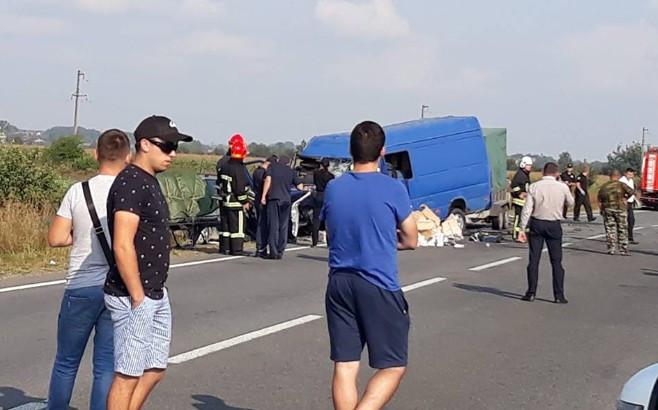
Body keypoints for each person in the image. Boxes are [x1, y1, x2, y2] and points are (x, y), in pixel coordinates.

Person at [321, 121, 418, 410]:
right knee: (393, 365)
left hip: (339, 281)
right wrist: (392, 242)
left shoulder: (334, 188)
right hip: (377, 282)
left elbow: (330, 231)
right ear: (383, 152)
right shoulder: (393, 188)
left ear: (351, 151)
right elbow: (411, 237)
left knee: (346, 364)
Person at [103, 115, 193, 410]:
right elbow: (122, 243)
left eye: (174, 147)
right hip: (133, 294)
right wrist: (137, 296)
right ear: (144, 144)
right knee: (127, 374)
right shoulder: (130, 183)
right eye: (167, 146)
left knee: (154, 369)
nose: (172, 154)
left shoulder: (149, 181)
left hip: (155, 291)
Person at [46, 129, 131, 410]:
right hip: (117, 287)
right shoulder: (130, 192)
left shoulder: (77, 191)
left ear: (96, 154)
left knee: (66, 362)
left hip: (81, 285)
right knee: (106, 364)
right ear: (127, 157)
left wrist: (80, 236)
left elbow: (56, 238)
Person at [518, 162, 574, 304]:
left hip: (537, 223)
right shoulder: (562, 187)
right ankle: (558, 295)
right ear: (556, 173)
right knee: (556, 261)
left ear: (543, 172)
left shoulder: (534, 187)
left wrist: (522, 229)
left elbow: (527, 209)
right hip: (554, 224)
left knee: (534, 260)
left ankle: (531, 292)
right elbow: (571, 202)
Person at [261, 156, 305, 259]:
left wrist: (263, 196)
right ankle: (280, 250)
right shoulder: (291, 171)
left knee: (273, 225)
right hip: (286, 200)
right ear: (288, 163)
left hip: (274, 198)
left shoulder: (272, 167)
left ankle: (273, 252)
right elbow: (300, 187)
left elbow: (268, 180)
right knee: (283, 226)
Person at [217, 135, 251, 256]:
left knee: (226, 227)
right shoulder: (238, 168)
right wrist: (245, 201)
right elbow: (239, 189)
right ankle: (237, 249)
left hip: (225, 200)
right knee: (237, 228)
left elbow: (219, 183)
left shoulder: (224, 165)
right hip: (235, 202)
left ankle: (225, 248)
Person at [598, 170, 635, 256]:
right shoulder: (622, 185)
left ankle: (611, 248)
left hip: (608, 209)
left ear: (610, 176)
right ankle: (623, 249)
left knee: (610, 229)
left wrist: (601, 209)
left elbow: (600, 200)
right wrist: (625, 198)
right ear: (618, 176)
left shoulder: (604, 186)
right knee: (622, 229)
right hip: (620, 209)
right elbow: (632, 192)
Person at [252, 156, 277, 257]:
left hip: (257, 199)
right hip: (264, 200)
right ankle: (261, 248)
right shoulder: (264, 174)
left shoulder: (256, 172)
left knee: (260, 223)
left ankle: (260, 247)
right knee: (264, 224)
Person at [311, 158, 335, 247]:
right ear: (328, 165)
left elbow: (314, 184)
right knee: (328, 220)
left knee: (316, 219)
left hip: (318, 195)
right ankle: (329, 242)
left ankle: (314, 241)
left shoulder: (316, 174)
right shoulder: (331, 176)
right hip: (327, 196)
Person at [511, 156, 533, 242]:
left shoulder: (525, 175)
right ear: (523, 164)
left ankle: (525, 235)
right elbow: (514, 185)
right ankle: (516, 235)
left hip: (525, 201)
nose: (530, 167)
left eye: (530, 165)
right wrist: (519, 193)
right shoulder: (520, 175)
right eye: (528, 165)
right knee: (518, 217)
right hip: (519, 201)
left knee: (526, 218)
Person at [619, 168, 639, 244]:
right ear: (625, 174)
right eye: (629, 174)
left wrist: (635, 200)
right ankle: (621, 237)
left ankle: (630, 237)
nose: (630, 176)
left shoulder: (631, 181)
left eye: (632, 174)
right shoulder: (622, 181)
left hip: (630, 203)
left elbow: (632, 191)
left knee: (631, 220)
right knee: (622, 221)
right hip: (623, 202)